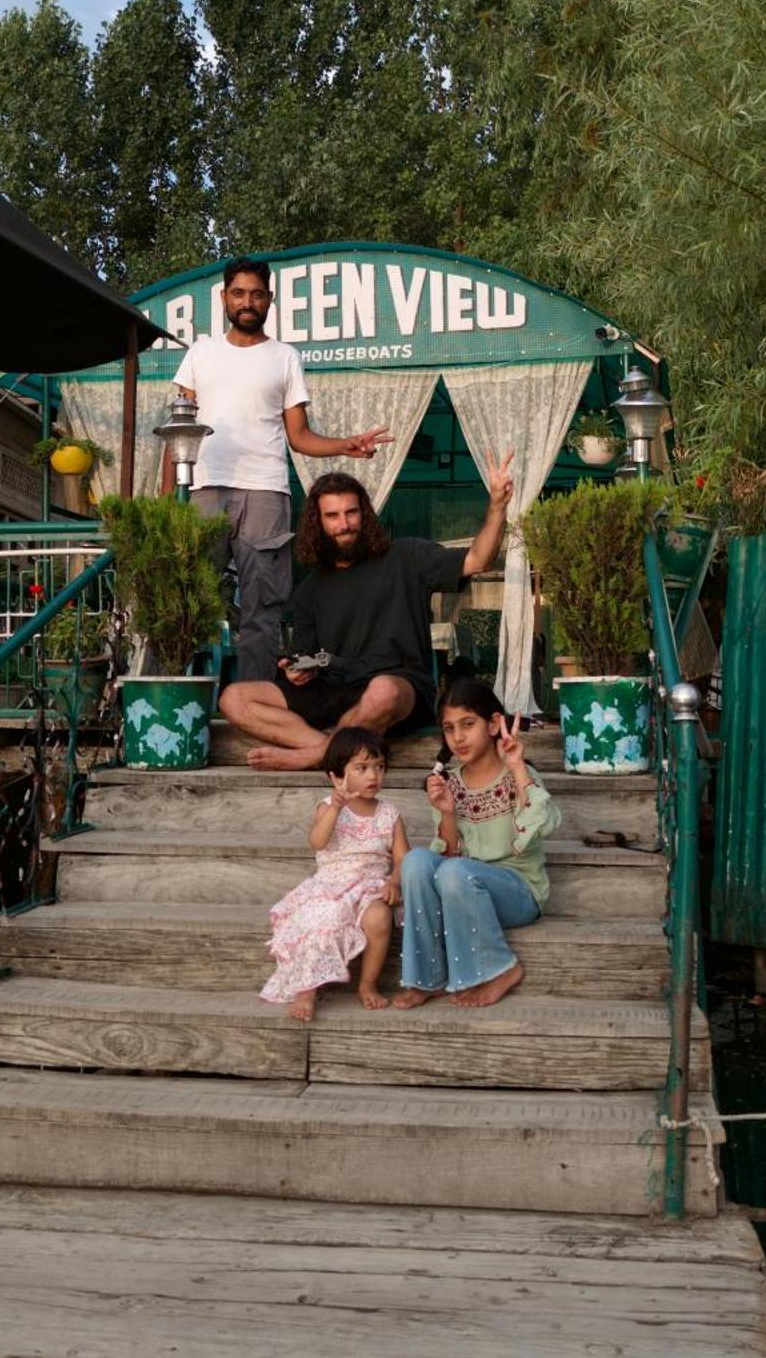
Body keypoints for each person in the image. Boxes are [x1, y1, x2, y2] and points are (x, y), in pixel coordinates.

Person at [171, 256, 392, 684]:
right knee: (186, 599)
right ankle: (177, 701)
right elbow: (179, 430)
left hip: (265, 493)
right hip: (204, 489)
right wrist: (170, 503)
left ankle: (255, 707)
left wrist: (347, 445)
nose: (247, 302)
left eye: (256, 294)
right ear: (224, 298)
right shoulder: (200, 353)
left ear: (269, 300)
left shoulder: (285, 357)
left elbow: (300, 436)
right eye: (239, 293)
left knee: (262, 611)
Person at [218, 458, 515, 770]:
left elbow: (478, 560)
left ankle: (314, 756)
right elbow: (304, 659)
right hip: (335, 688)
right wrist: (297, 670)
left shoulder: (407, 556)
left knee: (382, 690)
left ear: (365, 513)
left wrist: (496, 505)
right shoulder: (310, 589)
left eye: (351, 513)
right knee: (234, 699)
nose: (344, 524)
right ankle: (327, 750)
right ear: (317, 523)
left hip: (399, 688)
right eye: (332, 516)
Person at [395, 677, 559, 1010]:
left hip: (518, 891)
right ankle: (427, 977)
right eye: (449, 728)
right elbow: (451, 856)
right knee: (415, 862)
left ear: (494, 723)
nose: (458, 737)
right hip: (462, 885)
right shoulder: (448, 783)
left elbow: (546, 824)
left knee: (455, 872)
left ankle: (501, 968)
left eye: (468, 724)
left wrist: (516, 767)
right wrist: (447, 813)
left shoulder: (518, 774)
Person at [259, 727, 409, 1020]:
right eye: (362, 768)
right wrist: (335, 809)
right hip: (331, 884)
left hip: (371, 886)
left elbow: (402, 856)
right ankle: (307, 990)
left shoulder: (389, 813)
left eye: (379, 767)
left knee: (379, 918)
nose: (373, 776)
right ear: (338, 775)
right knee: (321, 919)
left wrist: (393, 881)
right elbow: (317, 841)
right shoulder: (329, 807)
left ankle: (367, 985)